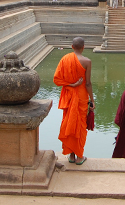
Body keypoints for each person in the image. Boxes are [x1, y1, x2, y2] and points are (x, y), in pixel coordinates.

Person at [53, 37, 95, 165]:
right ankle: (80, 156)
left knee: (70, 122)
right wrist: (92, 100)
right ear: (83, 47)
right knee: (80, 125)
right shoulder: (87, 62)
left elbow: (57, 80)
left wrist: (71, 85)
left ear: (72, 47)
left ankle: (71, 155)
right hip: (82, 97)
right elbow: (88, 84)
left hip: (69, 96)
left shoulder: (65, 59)